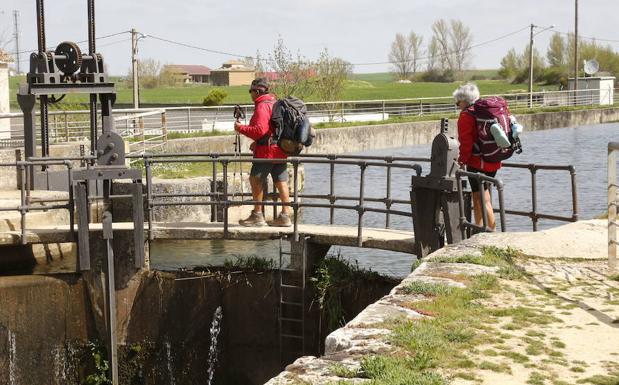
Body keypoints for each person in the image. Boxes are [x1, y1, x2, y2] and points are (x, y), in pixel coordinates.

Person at [234, 78, 292, 227]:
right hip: (280, 149)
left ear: (257, 91)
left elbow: (259, 130)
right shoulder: (274, 103)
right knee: (281, 182)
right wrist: (257, 142)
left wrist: (240, 128)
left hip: (267, 153)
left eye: (251, 91)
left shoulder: (262, 106)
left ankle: (257, 216)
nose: (250, 94)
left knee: (255, 179)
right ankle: (286, 216)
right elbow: (270, 129)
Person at [453, 83, 501, 231]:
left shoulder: (466, 116)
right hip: (493, 160)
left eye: (458, 102)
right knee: (477, 196)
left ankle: (492, 233)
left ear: (464, 101)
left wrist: (462, 161)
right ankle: (478, 228)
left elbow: (466, 143)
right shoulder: (485, 111)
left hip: (477, 163)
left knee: (483, 198)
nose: (457, 105)